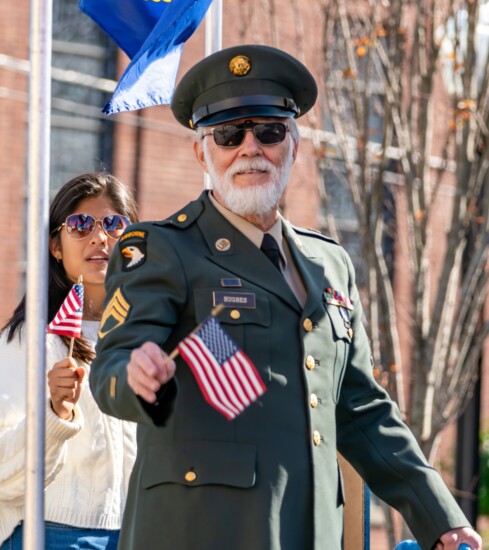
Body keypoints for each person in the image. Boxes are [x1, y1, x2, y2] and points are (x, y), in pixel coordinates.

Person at [90, 45, 482, 550]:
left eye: (269, 132)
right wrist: (135, 375)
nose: (250, 148)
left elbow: (361, 410)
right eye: (229, 134)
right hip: (200, 533)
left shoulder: (329, 264)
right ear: (201, 152)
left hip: (310, 531)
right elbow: (111, 370)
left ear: (294, 144)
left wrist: (441, 519)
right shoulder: (163, 248)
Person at [0, 172, 139, 549]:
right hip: (51, 533)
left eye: (113, 224)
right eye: (79, 225)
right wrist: (54, 413)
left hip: (141, 532)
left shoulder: (150, 335)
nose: (99, 237)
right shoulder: (26, 341)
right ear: (56, 247)